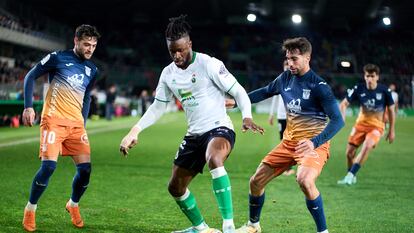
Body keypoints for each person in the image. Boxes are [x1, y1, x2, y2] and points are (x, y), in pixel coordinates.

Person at [119, 15, 263, 233]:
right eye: (172, 51)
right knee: (175, 187)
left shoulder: (209, 64)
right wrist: (134, 130)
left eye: (181, 50)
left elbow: (238, 90)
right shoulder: (168, 74)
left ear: (190, 45)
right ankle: (201, 228)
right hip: (194, 134)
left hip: (219, 128)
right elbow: (158, 106)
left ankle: (229, 226)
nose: (177, 55)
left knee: (214, 158)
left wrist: (246, 116)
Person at [229, 37, 344, 233]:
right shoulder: (284, 79)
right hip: (288, 143)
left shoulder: (319, 86)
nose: (290, 63)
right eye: (288, 58)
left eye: (294, 58)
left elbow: (338, 120)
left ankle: (323, 231)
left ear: (307, 58)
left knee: (305, 180)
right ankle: (253, 226)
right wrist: (236, 102)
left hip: (313, 145)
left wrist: (314, 142)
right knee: (256, 181)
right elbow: (265, 92)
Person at [22, 24, 100, 232]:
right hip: (53, 120)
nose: (90, 49)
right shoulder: (57, 58)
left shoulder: (92, 70)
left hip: (76, 125)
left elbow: (86, 98)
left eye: (93, 45)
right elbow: (30, 76)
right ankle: (30, 209)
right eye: (86, 44)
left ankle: (73, 204)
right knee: (48, 167)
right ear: (76, 41)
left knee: (85, 171)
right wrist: (28, 107)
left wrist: (82, 122)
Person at [337, 64, 395, 185]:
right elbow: (343, 104)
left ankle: (350, 175)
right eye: (367, 76)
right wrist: (342, 119)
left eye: (372, 76)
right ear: (364, 76)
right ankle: (351, 175)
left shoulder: (385, 91)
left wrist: (391, 131)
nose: (369, 79)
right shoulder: (359, 88)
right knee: (349, 153)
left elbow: (391, 111)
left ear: (377, 77)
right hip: (360, 125)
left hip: (377, 126)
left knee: (368, 145)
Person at [268, 60, 294, 176]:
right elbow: (274, 98)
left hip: (291, 116)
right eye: (285, 65)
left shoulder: (294, 81)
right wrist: (271, 114)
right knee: (282, 140)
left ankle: (289, 166)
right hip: (281, 115)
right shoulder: (279, 81)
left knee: (291, 141)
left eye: (288, 65)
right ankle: (286, 167)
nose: (287, 67)